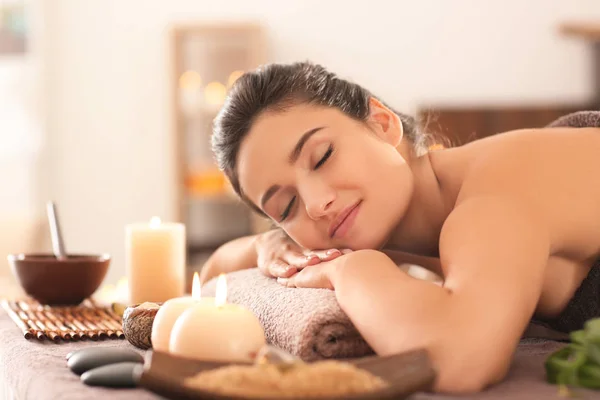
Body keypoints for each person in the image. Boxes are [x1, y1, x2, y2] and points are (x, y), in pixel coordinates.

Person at [199, 61, 600, 393]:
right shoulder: (412, 224)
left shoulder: (493, 199)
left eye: (322, 157)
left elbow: (463, 360)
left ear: (382, 123)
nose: (317, 204)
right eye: (286, 207)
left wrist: (349, 271)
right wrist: (269, 244)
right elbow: (215, 272)